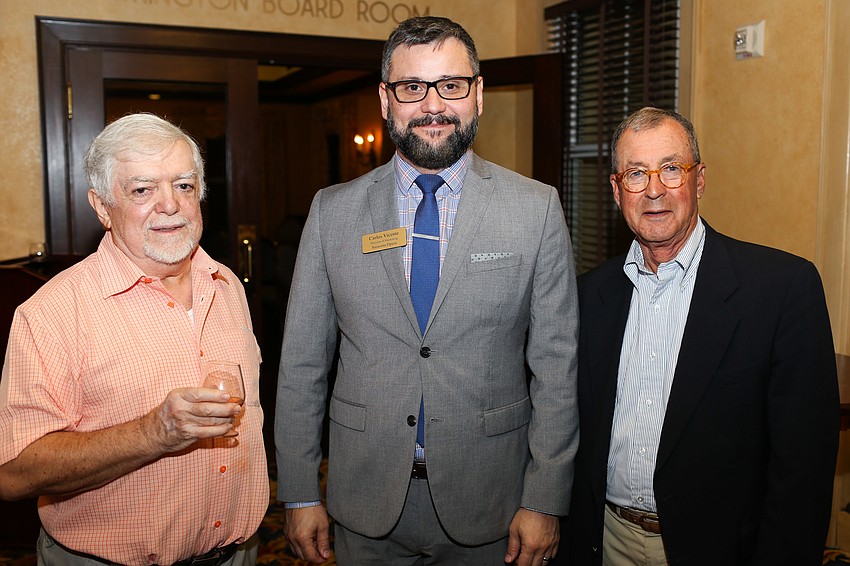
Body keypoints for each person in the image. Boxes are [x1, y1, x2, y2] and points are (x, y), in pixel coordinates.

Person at [275, 15, 579, 566]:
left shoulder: (536, 210)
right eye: (412, 87)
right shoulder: (332, 213)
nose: (433, 105)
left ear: (478, 94)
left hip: (492, 502)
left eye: (451, 85)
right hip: (364, 499)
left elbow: (557, 368)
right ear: (386, 100)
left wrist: (546, 499)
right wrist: (298, 489)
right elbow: (301, 365)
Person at [564, 107, 839, 565]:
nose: (654, 189)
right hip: (604, 540)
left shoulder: (781, 290)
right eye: (636, 173)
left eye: (671, 169)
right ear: (616, 190)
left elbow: (803, 469)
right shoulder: (590, 295)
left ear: (700, 179)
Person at [0, 113, 268, 566]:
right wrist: (154, 432)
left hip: (240, 554)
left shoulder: (227, 287)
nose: (169, 205)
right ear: (102, 207)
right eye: (142, 190)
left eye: (183, 186)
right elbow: (14, 473)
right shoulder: (51, 313)